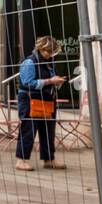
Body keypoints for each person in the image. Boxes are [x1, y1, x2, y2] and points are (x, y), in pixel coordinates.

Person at [16, 35, 66, 172]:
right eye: (47, 51)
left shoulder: (48, 62)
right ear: (40, 48)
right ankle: (21, 160)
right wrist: (50, 81)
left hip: (47, 100)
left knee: (48, 131)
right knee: (28, 130)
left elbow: (49, 79)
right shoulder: (29, 62)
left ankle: (49, 159)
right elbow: (27, 83)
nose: (49, 55)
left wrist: (57, 81)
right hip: (30, 100)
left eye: (52, 52)